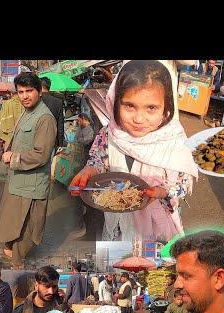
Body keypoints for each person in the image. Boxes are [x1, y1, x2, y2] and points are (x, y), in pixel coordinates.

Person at [70, 60, 199, 243]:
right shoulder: (109, 133)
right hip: (117, 228)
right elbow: (98, 160)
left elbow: (183, 184)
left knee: (151, 272)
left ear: (166, 108)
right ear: (115, 103)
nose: (139, 119)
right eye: (129, 106)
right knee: (116, 268)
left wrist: (162, 192)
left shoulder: (174, 141)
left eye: (151, 108)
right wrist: (88, 171)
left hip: (156, 234)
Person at [0, 72, 57, 266]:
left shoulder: (44, 118)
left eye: (29, 91)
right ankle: (13, 255)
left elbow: (41, 154)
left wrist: (13, 157)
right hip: (18, 179)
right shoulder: (28, 111)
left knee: (27, 227)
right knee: (12, 221)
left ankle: (19, 267)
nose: (24, 96)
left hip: (31, 184)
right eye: (20, 92)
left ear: (39, 91)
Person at [39, 77, 65, 151]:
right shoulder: (58, 102)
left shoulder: (36, 100)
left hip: (36, 139)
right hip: (52, 140)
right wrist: (60, 143)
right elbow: (60, 124)